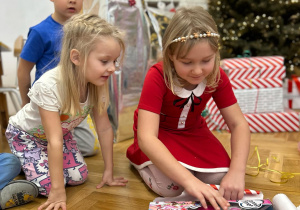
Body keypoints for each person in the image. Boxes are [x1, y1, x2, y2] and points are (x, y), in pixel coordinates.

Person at [126, 6, 250, 210]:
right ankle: (139, 162)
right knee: (171, 187)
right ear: (171, 55)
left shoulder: (217, 76)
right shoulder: (157, 76)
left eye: (206, 60)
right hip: (159, 135)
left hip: (194, 134)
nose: (197, 70)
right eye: (187, 62)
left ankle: (186, 172)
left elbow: (238, 124)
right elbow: (147, 137)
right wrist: (190, 181)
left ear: (215, 53)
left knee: (221, 179)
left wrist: (237, 171)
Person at [6, 14, 128, 210]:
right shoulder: (49, 85)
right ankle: (22, 162)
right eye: (105, 61)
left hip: (60, 134)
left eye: (114, 61)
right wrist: (57, 191)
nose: (112, 68)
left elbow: (104, 129)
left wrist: (108, 172)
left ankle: (36, 163)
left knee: (79, 177)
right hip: (26, 135)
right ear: (76, 57)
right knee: (48, 186)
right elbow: (54, 140)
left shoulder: (98, 84)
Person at [17, 0, 100, 157]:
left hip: (75, 104)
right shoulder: (40, 31)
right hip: (48, 103)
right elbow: (23, 69)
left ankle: (54, 144)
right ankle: (41, 148)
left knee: (90, 147)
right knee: (51, 138)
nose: (72, 1)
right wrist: (24, 101)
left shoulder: (88, 33)